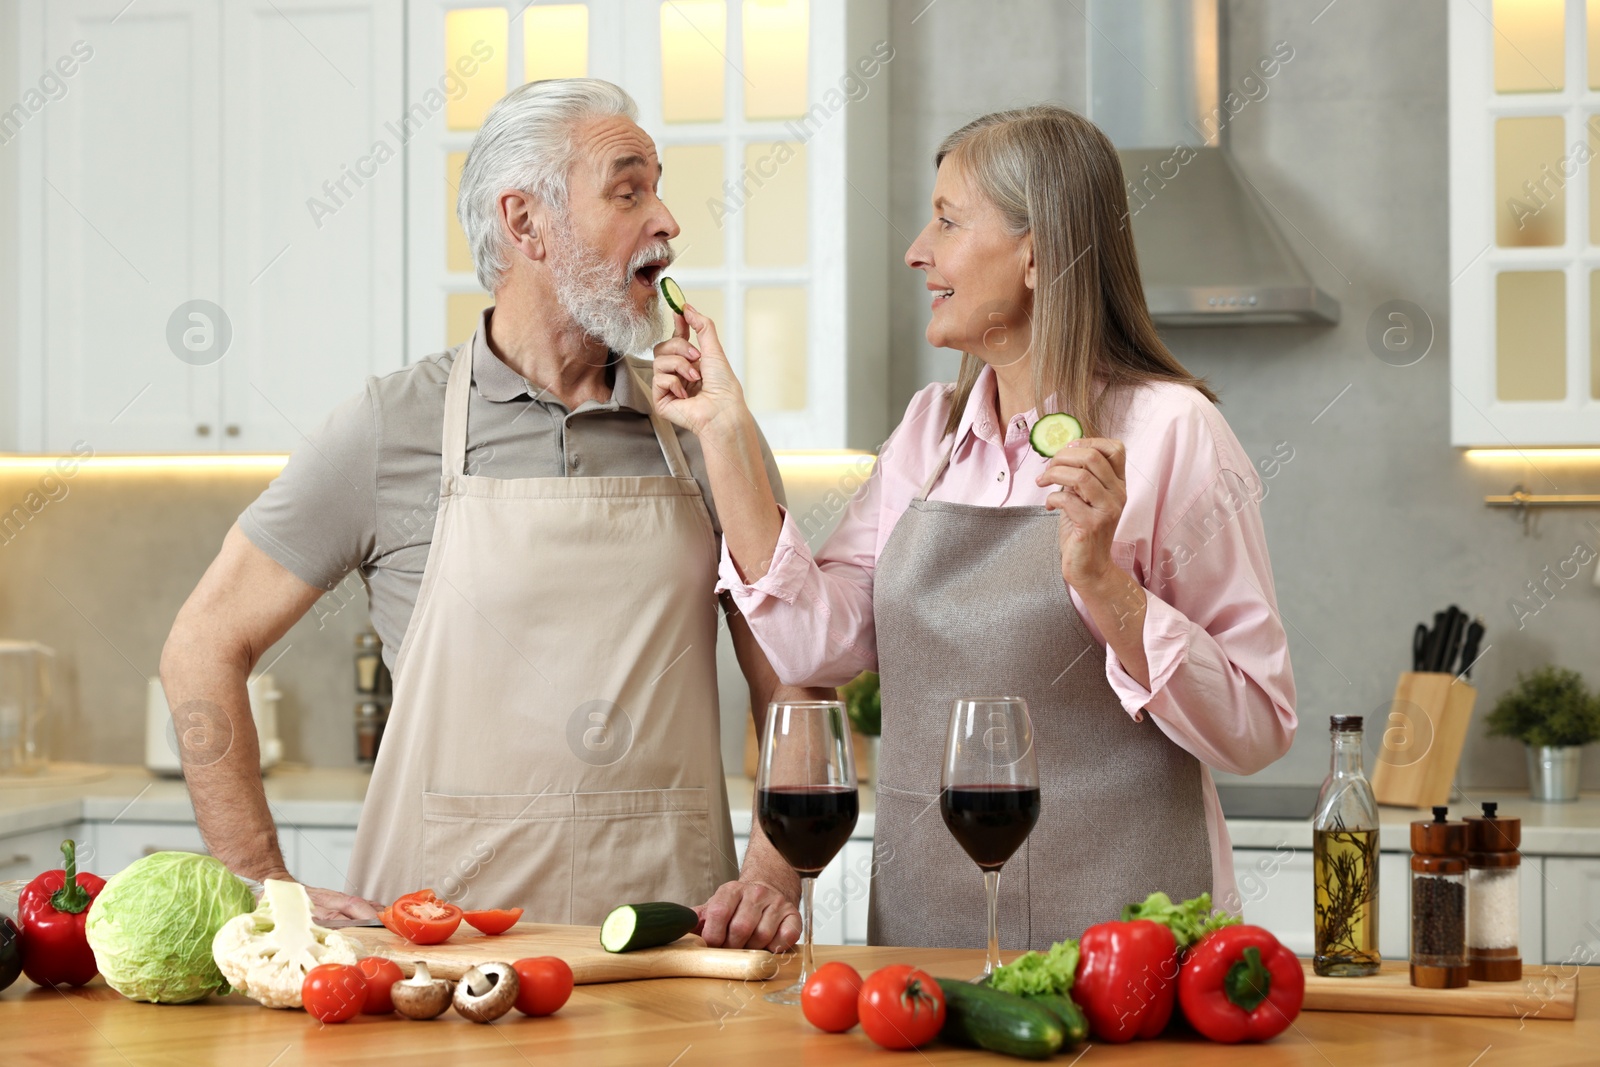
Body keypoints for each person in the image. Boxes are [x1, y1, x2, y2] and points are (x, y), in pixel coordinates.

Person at [161, 79, 804, 951]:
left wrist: (771, 871)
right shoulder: (390, 426)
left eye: (657, 187)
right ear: (525, 221)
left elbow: (799, 682)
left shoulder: (708, 428)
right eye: (629, 190)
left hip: (673, 952)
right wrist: (261, 879)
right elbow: (202, 644)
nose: (667, 221)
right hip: (433, 962)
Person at [651, 105, 1297, 949]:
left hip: (1132, 941)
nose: (919, 249)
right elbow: (816, 645)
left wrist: (1107, 585)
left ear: (1036, 253)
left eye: (949, 221)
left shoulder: (1171, 432)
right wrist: (725, 430)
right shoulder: (929, 431)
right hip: (929, 932)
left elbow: (1256, 724)